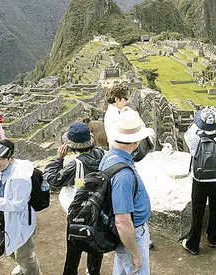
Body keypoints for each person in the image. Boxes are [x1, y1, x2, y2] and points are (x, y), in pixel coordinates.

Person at [43, 122, 106, 275]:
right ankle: (93, 271)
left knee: (73, 248)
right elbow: (91, 179)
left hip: (79, 211)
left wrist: (58, 159)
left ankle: (70, 272)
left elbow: (54, 179)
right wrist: (79, 182)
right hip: (99, 206)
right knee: (95, 243)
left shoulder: (76, 164)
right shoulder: (102, 154)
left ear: (72, 146)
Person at [100, 110, 153, 275]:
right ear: (137, 141)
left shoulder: (109, 157)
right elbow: (122, 222)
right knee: (136, 269)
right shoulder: (123, 174)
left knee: (122, 269)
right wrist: (135, 254)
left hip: (124, 235)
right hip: (132, 234)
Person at [0, 139, 41, 275]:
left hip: (20, 221)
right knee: (8, 248)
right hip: (3, 218)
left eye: (0, 159)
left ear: (11, 158)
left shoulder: (19, 178)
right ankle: (22, 266)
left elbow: (18, 204)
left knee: (24, 255)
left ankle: (32, 272)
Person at [182, 105, 216, 255]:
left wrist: (199, 123)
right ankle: (213, 239)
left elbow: (190, 130)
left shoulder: (192, 137)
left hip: (199, 180)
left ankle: (193, 244)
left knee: (198, 212)